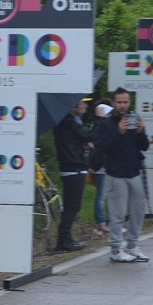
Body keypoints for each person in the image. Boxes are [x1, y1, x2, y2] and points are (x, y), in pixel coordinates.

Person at [94, 88, 150, 262]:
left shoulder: (133, 120)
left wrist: (141, 132)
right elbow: (103, 147)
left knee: (138, 210)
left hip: (134, 170)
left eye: (125, 102)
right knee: (117, 213)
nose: (122, 105)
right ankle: (116, 249)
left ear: (129, 103)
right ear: (113, 103)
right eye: (119, 102)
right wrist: (118, 133)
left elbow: (144, 146)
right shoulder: (105, 124)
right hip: (115, 172)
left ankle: (132, 246)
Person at [52, 97, 94, 251]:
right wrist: (101, 119)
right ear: (72, 106)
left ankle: (66, 238)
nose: (85, 105)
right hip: (74, 167)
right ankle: (63, 240)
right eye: (82, 103)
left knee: (71, 206)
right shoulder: (70, 123)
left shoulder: (65, 123)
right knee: (72, 206)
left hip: (70, 167)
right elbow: (88, 136)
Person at [89, 100, 113, 233]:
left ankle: (109, 221)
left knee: (109, 194)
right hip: (100, 166)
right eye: (108, 114)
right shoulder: (99, 126)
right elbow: (96, 140)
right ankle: (101, 221)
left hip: (107, 165)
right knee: (102, 195)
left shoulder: (106, 126)